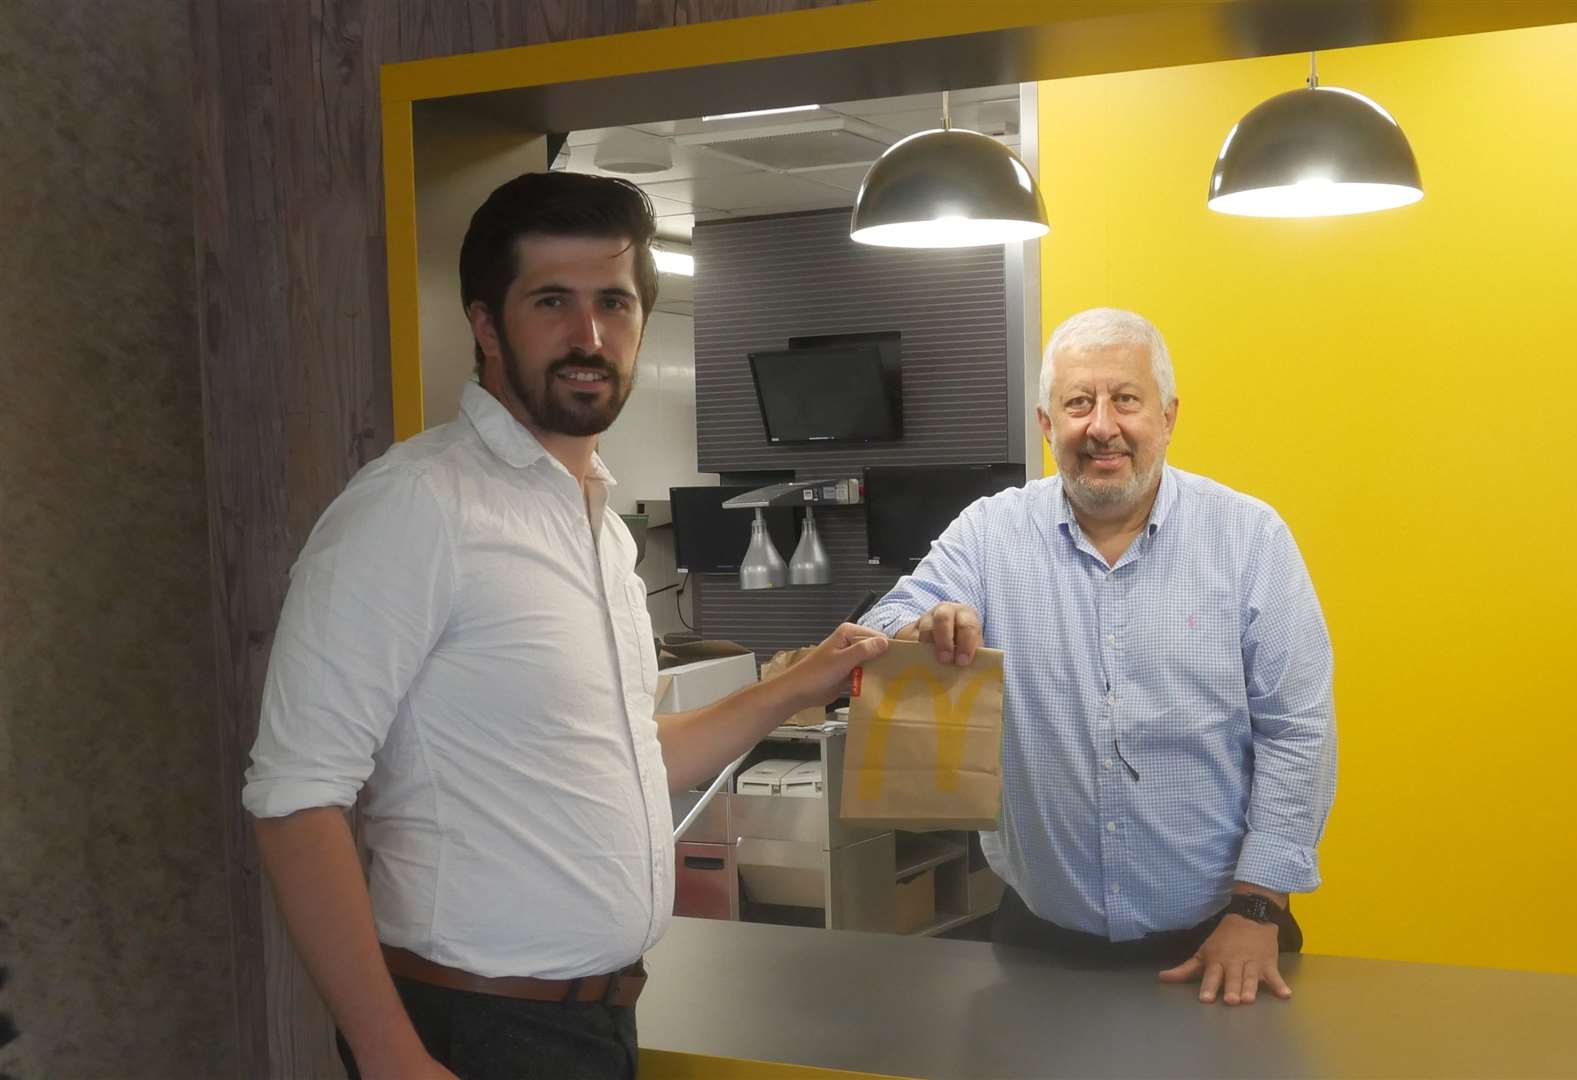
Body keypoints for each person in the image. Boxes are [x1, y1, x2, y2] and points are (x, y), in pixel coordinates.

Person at [242, 171, 887, 1080]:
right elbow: (293, 798)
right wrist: (391, 1055)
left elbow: (628, 757)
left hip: (589, 1024)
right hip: (470, 1030)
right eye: (552, 301)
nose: (589, 337)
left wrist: (800, 680)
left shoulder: (593, 526)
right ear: (485, 323)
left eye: (614, 304)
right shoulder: (416, 506)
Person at [860, 307, 1335, 1007]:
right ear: (1048, 424)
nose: (1102, 426)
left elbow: (1298, 732)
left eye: (1126, 400)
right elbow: (879, 630)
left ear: (1168, 417)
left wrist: (1258, 908)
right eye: (1078, 403)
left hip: (1221, 940)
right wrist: (922, 628)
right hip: (1041, 938)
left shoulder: (1250, 540)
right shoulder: (991, 533)